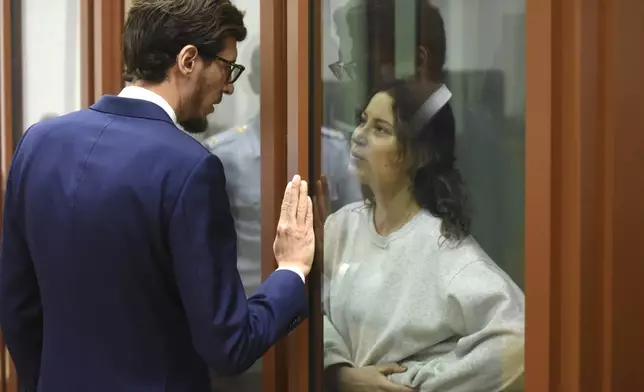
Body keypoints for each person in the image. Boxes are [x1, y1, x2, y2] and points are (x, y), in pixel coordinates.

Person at [0, 1, 314, 391]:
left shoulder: (37, 144)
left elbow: (16, 307)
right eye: (226, 66)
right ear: (187, 60)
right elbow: (228, 344)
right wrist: (291, 271)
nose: (230, 85)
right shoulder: (191, 168)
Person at [322, 80, 525, 392]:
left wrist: (415, 382)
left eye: (380, 129)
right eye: (362, 120)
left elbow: (520, 341)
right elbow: (308, 311)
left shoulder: (445, 248)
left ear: (416, 154)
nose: (358, 136)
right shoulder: (340, 227)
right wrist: (340, 372)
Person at [203, 45, 361, 392]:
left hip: (323, 328)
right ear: (256, 82)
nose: (284, 86)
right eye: (272, 77)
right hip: (250, 328)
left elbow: (356, 239)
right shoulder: (223, 156)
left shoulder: (334, 150)